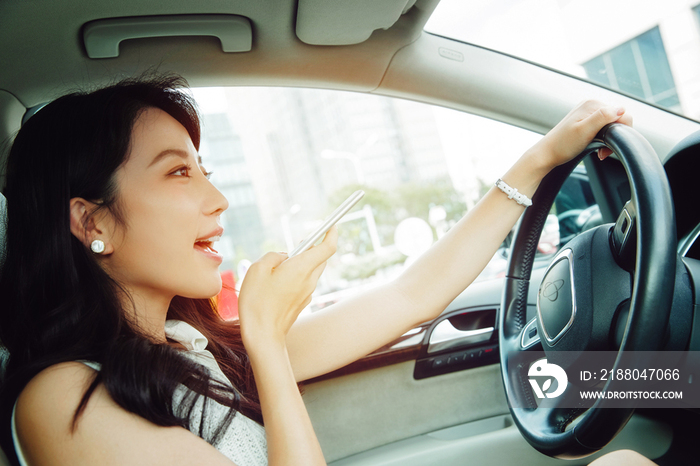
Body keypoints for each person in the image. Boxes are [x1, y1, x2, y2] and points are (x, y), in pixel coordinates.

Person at [0, 74, 645, 466]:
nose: (217, 200)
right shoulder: (60, 398)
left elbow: (409, 295)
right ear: (93, 224)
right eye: (177, 172)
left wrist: (537, 162)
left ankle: (676, 379)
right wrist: (267, 344)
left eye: (206, 171)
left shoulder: (189, 349)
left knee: (633, 443)